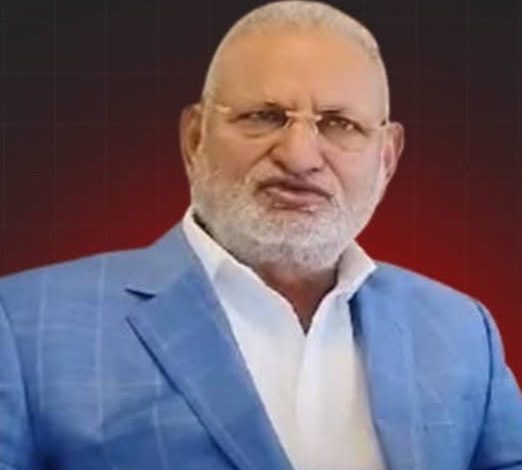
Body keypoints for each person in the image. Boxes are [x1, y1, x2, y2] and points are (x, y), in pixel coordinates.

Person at [1, 1, 521, 469]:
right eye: (264, 117)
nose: (299, 157)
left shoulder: (462, 331)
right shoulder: (23, 327)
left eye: (339, 124)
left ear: (386, 157)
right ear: (195, 138)